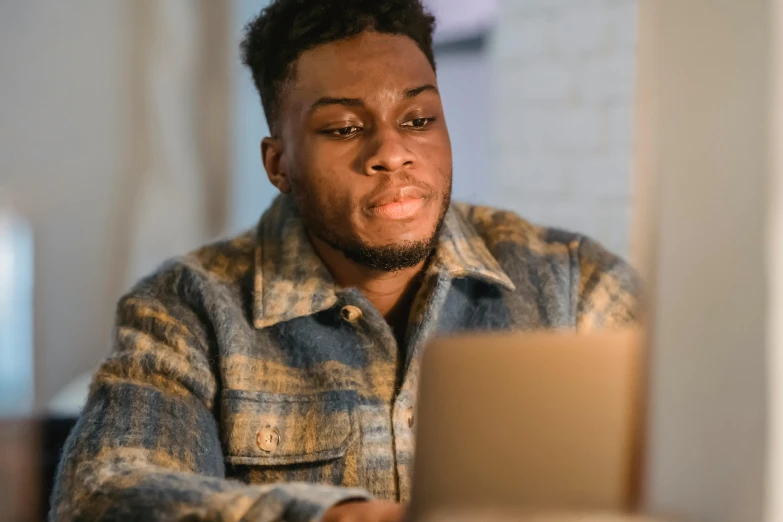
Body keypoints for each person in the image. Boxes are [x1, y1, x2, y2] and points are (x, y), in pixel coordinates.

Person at [50, 1, 639, 520]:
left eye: (418, 120)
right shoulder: (187, 308)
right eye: (343, 128)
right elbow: (103, 495)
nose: (392, 153)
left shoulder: (574, 282)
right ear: (279, 165)